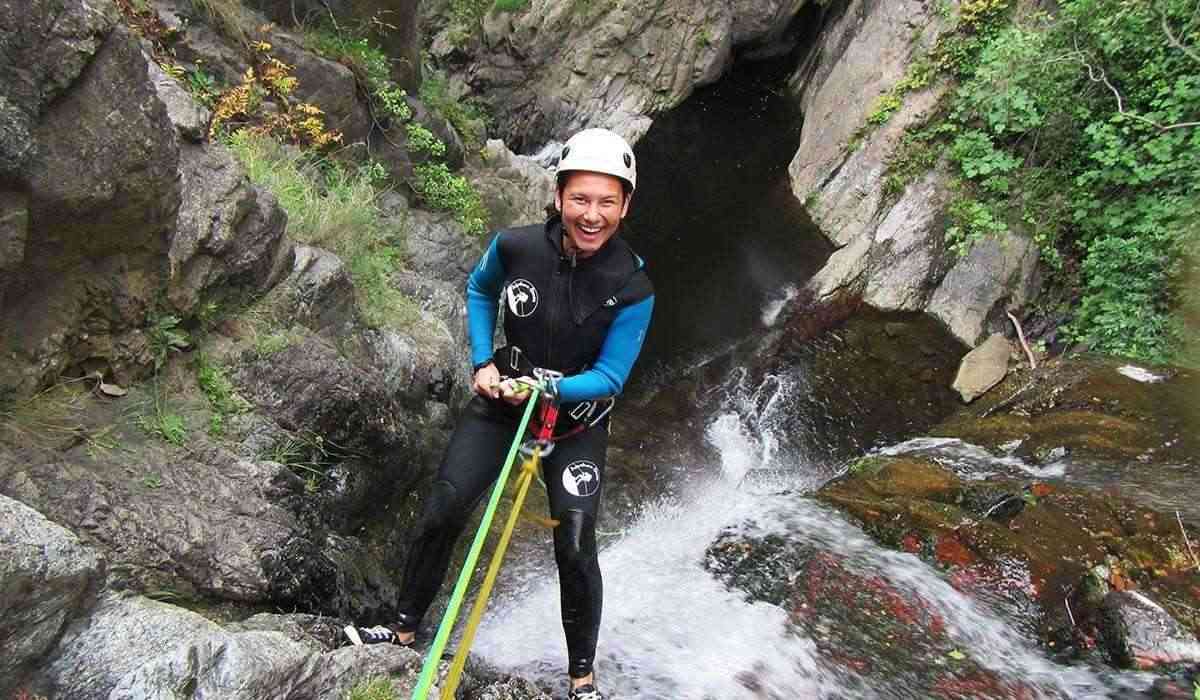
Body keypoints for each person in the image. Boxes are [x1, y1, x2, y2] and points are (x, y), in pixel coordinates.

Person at [345, 127, 655, 700]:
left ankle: (582, 680)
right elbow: (480, 289)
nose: (592, 215)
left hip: (575, 422)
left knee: (576, 540)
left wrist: (543, 387)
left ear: (625, 205)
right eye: (581, 199)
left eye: (607, 201)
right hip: (501, 403)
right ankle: (403, 629)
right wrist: (483, 361)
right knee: (446, 503)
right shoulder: (517, 247)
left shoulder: (632, 287)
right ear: (559, 195)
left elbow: (611, 376)